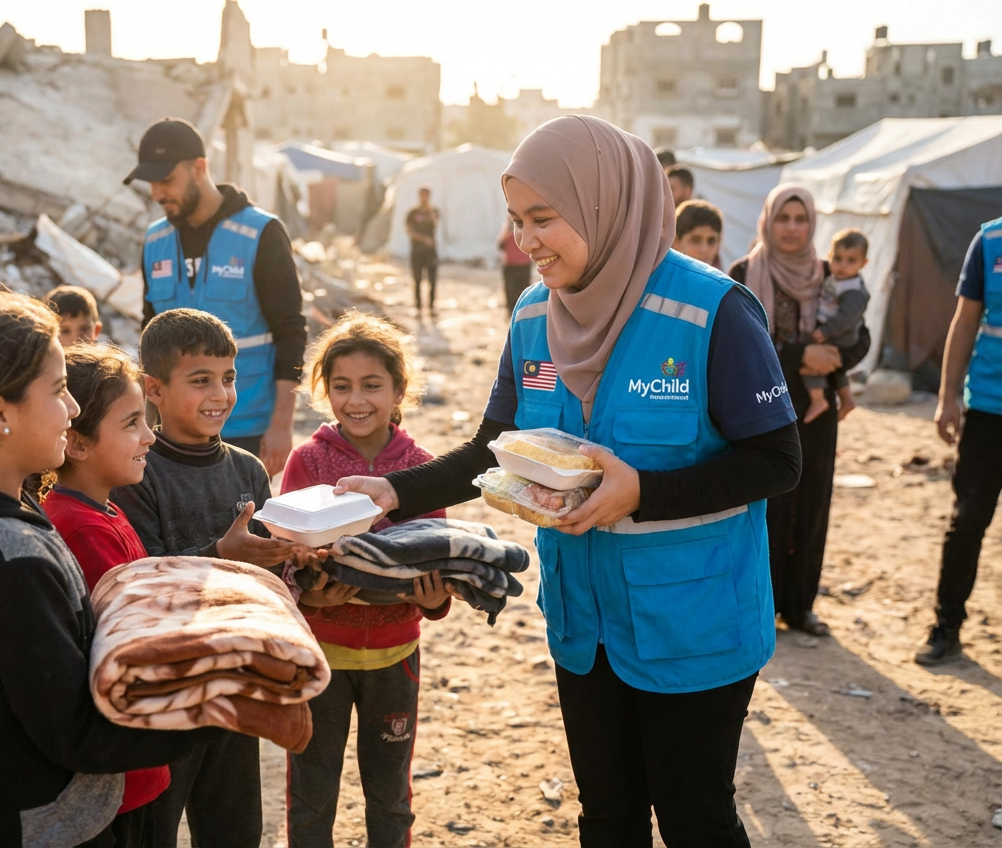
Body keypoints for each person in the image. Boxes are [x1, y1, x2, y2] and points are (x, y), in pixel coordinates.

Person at [337, 116, 802, 848]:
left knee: (695, 818)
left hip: (693, 624)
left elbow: (779, 461)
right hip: (586, 625)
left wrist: (643, 491)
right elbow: (493, 445)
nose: (527, 240)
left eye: (545, 218)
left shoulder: (710, 312)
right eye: (517, 220)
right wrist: (394, 492)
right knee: (607, 815)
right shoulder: (533, 319)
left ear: (602, 205)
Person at [0, 290, 215, 847]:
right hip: (34, 829)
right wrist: (217, 712)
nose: (74, 409)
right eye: (58, 391)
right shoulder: (7, 560)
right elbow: (78, 732)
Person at [112, 307, 308, 848]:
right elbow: (143, 579)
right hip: (168, 690)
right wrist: (221, 553)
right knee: (156, 828)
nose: (219, 394)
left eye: (228, 378)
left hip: (235, 678)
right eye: (200, 380)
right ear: (153, 388)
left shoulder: (247, 469)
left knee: (235, 829)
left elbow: (270, 566)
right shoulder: (138, 470)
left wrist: (302, 562)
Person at [280, 312, 450, 848]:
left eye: (372, 385)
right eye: (342, 386)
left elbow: (439, 555)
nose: (357, 399)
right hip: (319, 655)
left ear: (399, 388)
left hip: (395, 658)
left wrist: (436, 598)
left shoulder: (421, 467)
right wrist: (309, 593)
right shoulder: (307, 461)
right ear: (324, 391)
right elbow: (283, 556)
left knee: (390, 793)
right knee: (311, 790)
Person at [126, 117, 306, 475]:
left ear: (199, 168)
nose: (157, 194)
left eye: (166, 180)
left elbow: (291, 331)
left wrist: (282, 425)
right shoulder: (155, 240)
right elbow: (150, 335)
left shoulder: (260, 233)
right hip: (173, 429)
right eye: (151, 184)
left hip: (246, 427)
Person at [729, 185, 870, 637]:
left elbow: (860, 337)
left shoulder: (829, 273)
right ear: (767, 221)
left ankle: (801, 606)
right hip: (757, 415)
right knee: (764, 507)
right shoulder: (743, 274)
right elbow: (736, 350)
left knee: (811, 504)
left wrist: (835, 360)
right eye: (782, 218)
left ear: (812, 223)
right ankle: (761, 604)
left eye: (800, 218)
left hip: (815, 412)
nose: (791, 228)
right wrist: (800, 359)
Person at [44, 344, 166, 846]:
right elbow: (125, 642)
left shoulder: (104, 510)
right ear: (77, 443)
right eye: (131, 423)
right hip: (119, 776)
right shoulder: (78, 527)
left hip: (139, 761)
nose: (149, 436)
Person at [915, 217, 1002, 665]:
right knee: (968, 520)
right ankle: (947, 625)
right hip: (988, 409)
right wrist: (947, 397)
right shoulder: (989, 241)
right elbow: (965, 322)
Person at [803, 229, 870, 424]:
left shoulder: (853, 290)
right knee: (836, 370)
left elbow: (846, 318)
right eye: (838, 258)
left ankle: (818, 400)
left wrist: (825, 331)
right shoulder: (837, 279)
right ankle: (847, 400)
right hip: (836, 330)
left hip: (841, 334)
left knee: (813, 362)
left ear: (863, 263)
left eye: (851, 261)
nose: (842, 265)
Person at [404, 187, 441, 317]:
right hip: (417, 250)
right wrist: (424, 239)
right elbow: (409, 231)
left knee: (432, 279)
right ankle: (418, 306)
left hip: (430, 251)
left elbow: (436, 225)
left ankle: (431, 307)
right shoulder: (413, 213)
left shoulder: (434, 211)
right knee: (417, 278)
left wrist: (431, 216)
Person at [497, 214, 535, 314]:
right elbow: (500, 245)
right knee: (515, 290)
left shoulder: (525, 229)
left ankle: (516, 311)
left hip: (519, 265)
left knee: (520, 290)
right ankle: (514, 311)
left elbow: (500, 244)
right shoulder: (509, 230)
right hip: (514, 265)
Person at [673, 200, 723, 270]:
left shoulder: (726, 279)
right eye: (695, 240)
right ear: (676, 242)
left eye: (711, 241)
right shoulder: (660, 278)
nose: (704, 249)